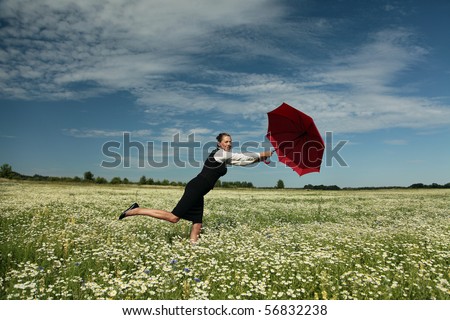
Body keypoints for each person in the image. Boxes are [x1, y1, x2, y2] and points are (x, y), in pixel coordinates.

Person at [118, 132, 272, 243]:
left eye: (230, 142)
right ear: (219, 144)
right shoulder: (219, 154)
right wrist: (261, 153)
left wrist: (260, 159)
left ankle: (193, 250)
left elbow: (242, 162)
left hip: (200, 191)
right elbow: (241, 157)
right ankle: (136, 210)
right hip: (196, 187)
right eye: (226, 141)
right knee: (173, 218)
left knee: (197, 223)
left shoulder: (225, 157)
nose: (229, 144)